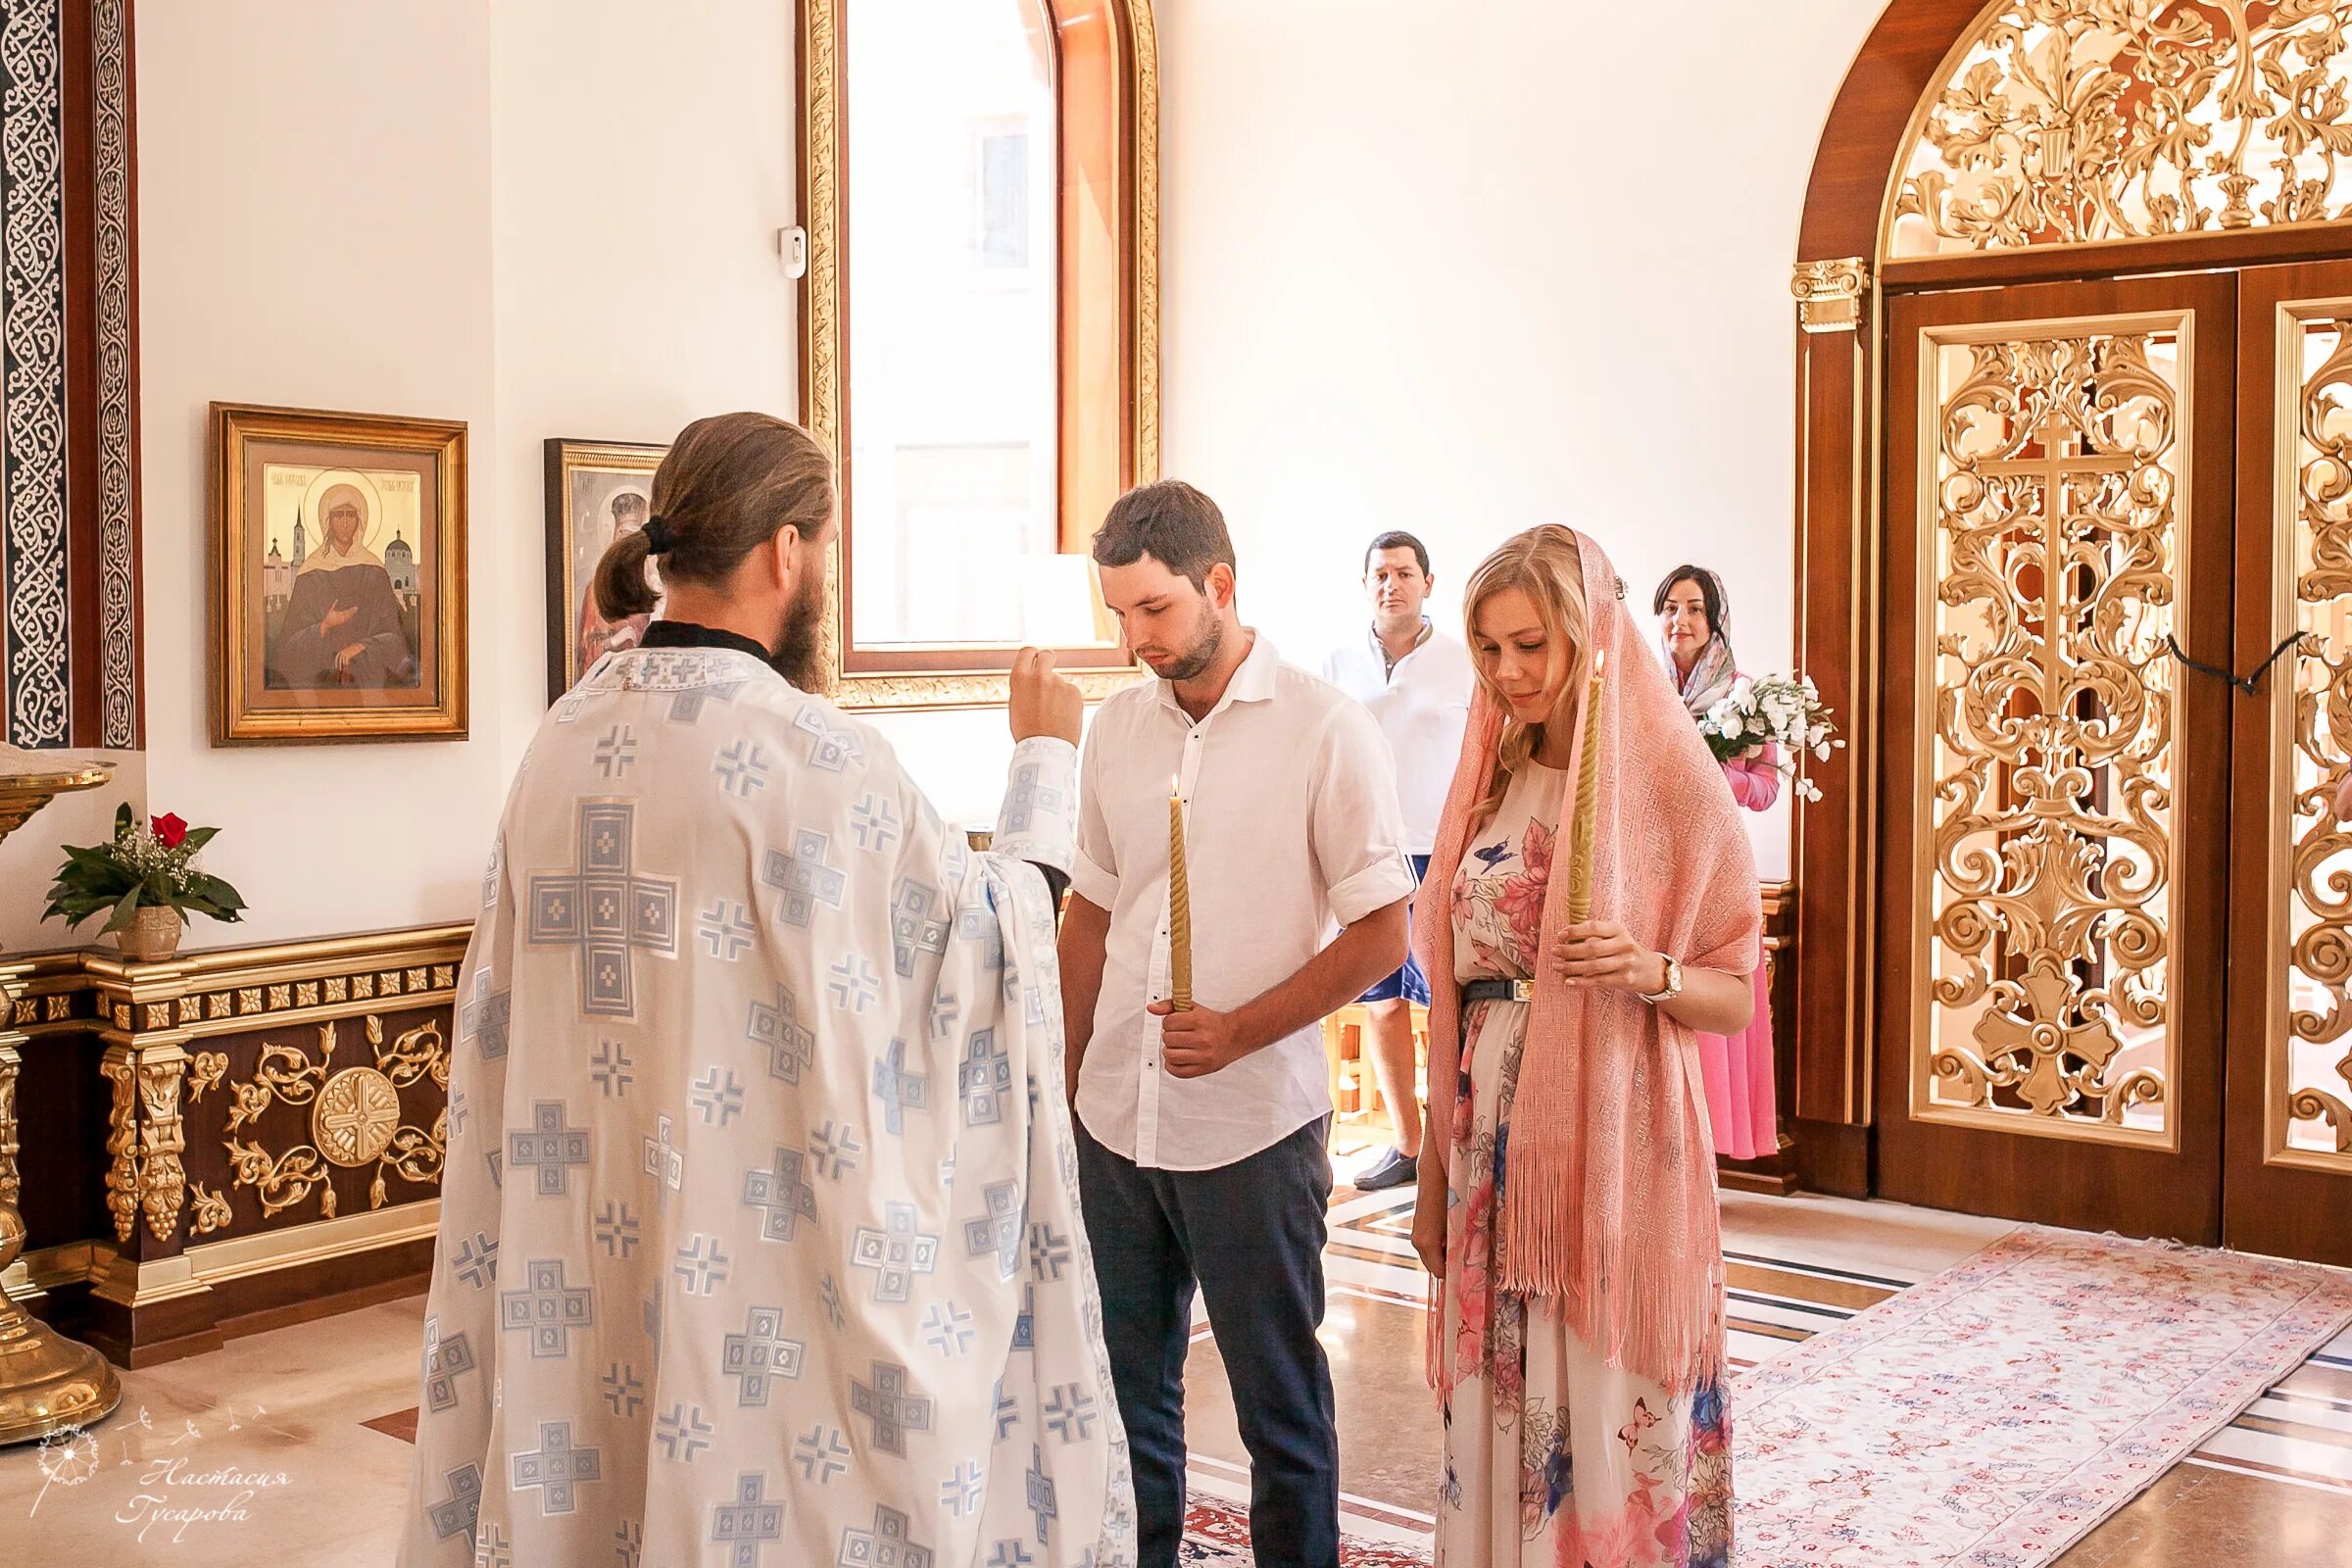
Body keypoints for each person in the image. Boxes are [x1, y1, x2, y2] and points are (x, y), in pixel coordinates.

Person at [399, 413, 1134, 1568]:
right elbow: (993, 946)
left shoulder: (561, 738)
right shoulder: (815, 758)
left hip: (584, 1247)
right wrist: (1044, 756)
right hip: (753, 1268)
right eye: (827, 549)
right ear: (788, 551)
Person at [1061, 479, 1416, 1568]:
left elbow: (1383, 936)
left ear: (1221, 583)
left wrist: (1241, 1030)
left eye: (1154, 611)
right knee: (1127, 1401)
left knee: (1281, 1413)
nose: (1133, 640)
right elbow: (1088, 915)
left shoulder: (1325, 727)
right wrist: (1065, 1082)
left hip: (1255, 1129)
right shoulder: (1115, 728)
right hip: (1115, 1120)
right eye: (1118, 615)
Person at [1411, 525, 1760, 1567]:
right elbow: (1455, 983)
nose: (1508, 673)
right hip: (1488, 1140)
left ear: (1587, 637)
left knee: (1605, 1391)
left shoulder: (1668, 784)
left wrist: (1649, 969)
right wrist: (1436, 1167)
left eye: (1530, 646)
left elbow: (1736, 996)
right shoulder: (1488, 779)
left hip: (1617, 1139)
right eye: (1488, 649)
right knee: (1503, 1396)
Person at [1320, 530, 1474, 1192]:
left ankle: (1452, 1144)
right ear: (1366, 585)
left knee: (1445, 1005)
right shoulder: (1338, 661)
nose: (1392, 584)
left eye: (1404, 573)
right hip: (1366, 848)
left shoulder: (1463, 662)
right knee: (1379, 1002)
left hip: (1438, 849)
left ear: (1428, 584)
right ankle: (1407, 1145)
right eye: (1380, 574)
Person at [1657, 564, 1781, 1162]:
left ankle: (1707, 1149)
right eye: (1671, 608)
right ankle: (1661, 1144)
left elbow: (1766, 791)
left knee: (1708, 993)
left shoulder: (1744, 695)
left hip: (1718, 867)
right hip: (1653, 864)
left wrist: (1716, 772)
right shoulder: (1640, 691)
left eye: (1694, 609)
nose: (1681, 620)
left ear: (1715, 620)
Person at [270, 482, 415, 688]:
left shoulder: (375, 571)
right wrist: (324, 626)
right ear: (327, 520)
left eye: (351, 515)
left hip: (368, 683)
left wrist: (363, 645)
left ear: (360, 520)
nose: (345, 522)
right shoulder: (310, 571)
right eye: (339, 515)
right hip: (320, 685)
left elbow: (396, 638)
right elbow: (287, 648)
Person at [576, 488, 656, 681]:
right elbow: (585, 654)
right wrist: (614, 640)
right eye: (623, 534)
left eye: (635, 538)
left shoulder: (653, 590)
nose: (629, 546)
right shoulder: (596, 591)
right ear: (613, 537)